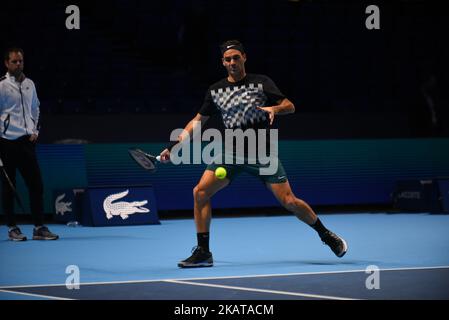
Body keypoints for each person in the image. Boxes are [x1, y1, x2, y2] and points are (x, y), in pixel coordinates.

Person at [159, 40, 347, 268]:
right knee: (200, 192)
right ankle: (203, 252)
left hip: (262, 153)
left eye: (236, 58)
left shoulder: (262, 82)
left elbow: (290, 105)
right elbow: (197, 121)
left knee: (289, 201)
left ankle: (326, 235)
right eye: (227, 59)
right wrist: (174, 145)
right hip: (231, 152)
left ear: (244, 58)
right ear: (223, 62)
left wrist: (274, 109)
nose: (232, 63)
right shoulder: (215, 90)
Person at [0, 47, 58, 241]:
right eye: (14, 61)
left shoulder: (30, 84)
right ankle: (12, 228)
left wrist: (35, 131)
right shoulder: (1, 86)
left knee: (36, 185)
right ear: (7, 63)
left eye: (21, 61)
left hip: (26, 143)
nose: (18, 64)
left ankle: (39, 227)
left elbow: (36, 109)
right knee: (9, 187)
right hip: (6, 143)